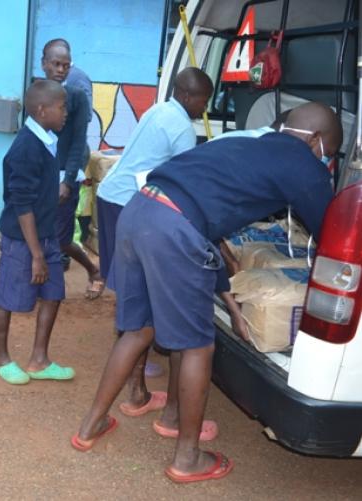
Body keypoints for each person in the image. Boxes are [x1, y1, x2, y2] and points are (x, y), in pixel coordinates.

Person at [72, 102, 341, 484]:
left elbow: (205, 210)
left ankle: (91, 426)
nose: (326, 160)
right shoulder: (303, 162)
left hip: (139, 212)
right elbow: (333, 235)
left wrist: (227, 296)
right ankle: (187, 458)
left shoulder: (247, 143)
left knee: (138, 330)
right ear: (316, 140)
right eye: (329, 151)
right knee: (197, 345)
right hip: (173, 229)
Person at [94, 67, 220, 412]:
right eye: (203, 101)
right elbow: (185, 184)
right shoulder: (181, 126)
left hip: (112, 196)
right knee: (142, 294)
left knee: (130, 290)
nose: (204, 108)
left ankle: (136, 366)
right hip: (130, 203)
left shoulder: (158, 109)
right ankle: (136, 383)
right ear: (186, 96)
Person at [0, 79, 75, 385]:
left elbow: (36, 191)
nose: (66, 112)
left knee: (53, 294)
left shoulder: (46, 138)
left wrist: (55, 192)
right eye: (62, 106)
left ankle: (39, 360)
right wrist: (36, 254)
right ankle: (1, 358)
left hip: (46, 235)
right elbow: (21, 202)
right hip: (22, 241)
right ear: (42, 110)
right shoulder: (27, 146)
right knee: (8, 297)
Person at [41, 40, 104, 300]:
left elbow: (79, 140)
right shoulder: (37, 91)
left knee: (61, 239)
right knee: (42, 232)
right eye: (56, 64)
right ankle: (43, 284)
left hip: (66, 176)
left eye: (66, 65)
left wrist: (68, 180)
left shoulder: (76, 95)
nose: (61, 70)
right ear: (44, 63)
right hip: (42, 176)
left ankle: (93, 269)